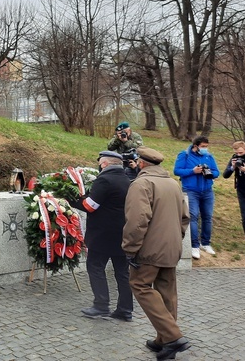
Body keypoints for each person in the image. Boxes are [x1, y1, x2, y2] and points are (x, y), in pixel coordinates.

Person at [122, 146, 191, 360]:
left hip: (149, 249)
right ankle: (164, 342)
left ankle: (172, 337)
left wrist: (130, 248)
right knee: (166, 291)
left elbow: (137, 221)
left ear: (141, 163)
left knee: (140, 286)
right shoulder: (173, 183)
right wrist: (174, 240)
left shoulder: (141, 184)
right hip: (171, 247)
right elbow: (185, 217)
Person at [71, 151, 133, 321]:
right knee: (122, 272)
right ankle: (125, 309)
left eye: (100, 163)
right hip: (123, 233)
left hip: (103, 235)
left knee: (95, 267)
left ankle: (101, 305)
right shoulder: (126, 180)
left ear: (104, 164)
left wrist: (72, 200)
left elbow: (90, 206)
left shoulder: (104, 179)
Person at [173, 135, 220, 260]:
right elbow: (177, 171)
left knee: (207, 217)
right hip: (191, 190)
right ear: (196, 146)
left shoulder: (209, 156)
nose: (205, 149)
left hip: (207, 191)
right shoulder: (185, 155)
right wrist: (193, 171)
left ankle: (206, 243)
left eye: (207, 146)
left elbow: (217, 172)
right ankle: (194, 245)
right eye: (203, 147)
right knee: (193, 216)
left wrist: (209, 173)